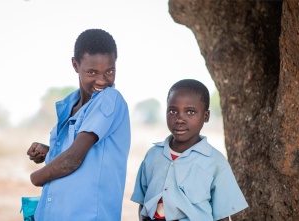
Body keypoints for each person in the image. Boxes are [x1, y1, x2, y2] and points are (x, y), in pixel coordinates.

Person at [27, 29, 131, 221]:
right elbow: (87, 158)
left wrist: (37, 177)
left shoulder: (109, 98)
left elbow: (73, 159)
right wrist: (49, 152)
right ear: (75, 65)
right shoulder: (70, 105)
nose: (102, 80)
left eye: (109, 71)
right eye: (92, 72)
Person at [130, 79, 248, 221]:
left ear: (206, 116)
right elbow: (143, 204)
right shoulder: (153, 155)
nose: (180, 119)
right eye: (173, 111)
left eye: (190, 112)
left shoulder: (216, 163)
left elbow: (222, 217)